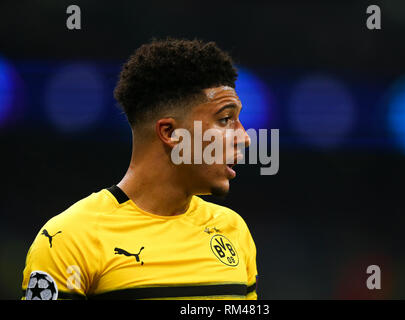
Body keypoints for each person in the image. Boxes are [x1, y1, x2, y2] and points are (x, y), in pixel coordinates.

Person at [21, 38, 258, 300]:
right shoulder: (67, 240)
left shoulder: (233, 230)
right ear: (170, 132)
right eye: (225, 119)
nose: (244, 137)